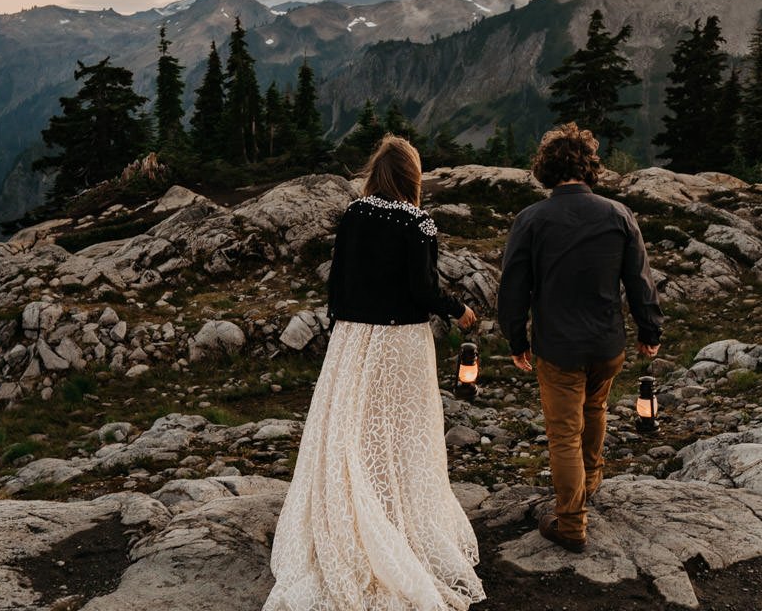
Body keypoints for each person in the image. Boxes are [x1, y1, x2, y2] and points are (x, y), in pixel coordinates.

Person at [263, 134, 485, 611]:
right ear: (412, 177)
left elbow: (338, 279)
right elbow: (422, 291)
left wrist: (346, 323)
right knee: (402, 431)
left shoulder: (354, 215)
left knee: (353, 428)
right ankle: (393, 518)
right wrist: (458, 310)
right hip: (400, 344)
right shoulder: (418, 223)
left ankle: (355, 511)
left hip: (352, 339)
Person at [497, 123, 663, 553]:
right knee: (597, 407)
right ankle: (590, 481)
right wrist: (650, 330)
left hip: (559, 347)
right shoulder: (619, 214)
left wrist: (516, 340)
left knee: (563, 434)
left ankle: (571, 521)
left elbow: (514, 288)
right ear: (589, 168)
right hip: (608, 344)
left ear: (545, 170)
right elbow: (640, 281)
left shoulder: (531, 220)